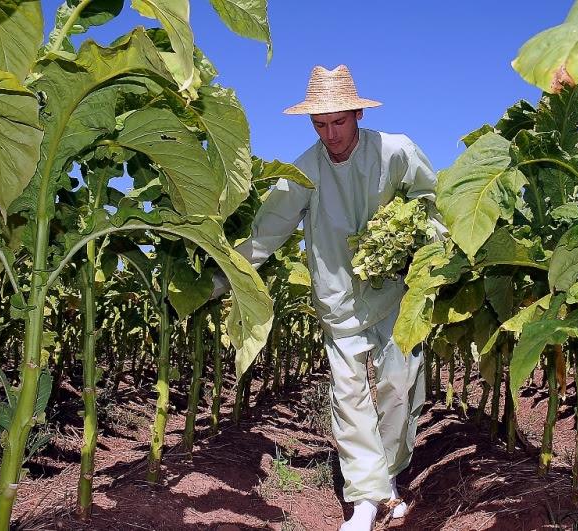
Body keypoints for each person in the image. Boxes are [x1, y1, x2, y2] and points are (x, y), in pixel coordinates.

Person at [212, 64, 442, 531]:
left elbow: (432, 203)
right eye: (320, 125)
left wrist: (423, 245)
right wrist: (215, 279)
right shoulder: (303, 172)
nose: (331, 134)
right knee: (351, 395)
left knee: (399, 388)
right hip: (338, 299)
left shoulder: (396, 151)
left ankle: (389, 479)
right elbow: (266, 235)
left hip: (396, 294)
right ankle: (363, 501)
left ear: (357, 113)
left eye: (339, 122)